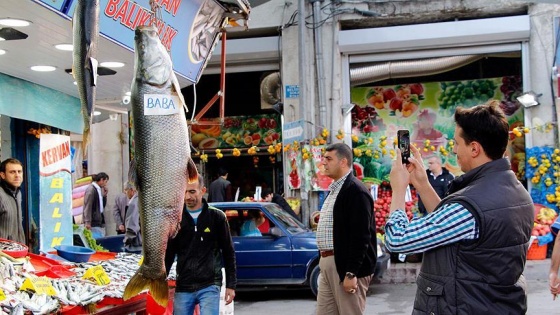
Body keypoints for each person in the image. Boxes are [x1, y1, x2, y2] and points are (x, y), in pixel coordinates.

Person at [386, 100, 533, 314]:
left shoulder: (472, 205)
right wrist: (422, 184)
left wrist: (398, 189)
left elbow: (397, 240)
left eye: (456, 143)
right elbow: (450, 227)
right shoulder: (516, 191)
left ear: (474, 148)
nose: (454, 150)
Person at [315, 143, 377, 315]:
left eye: (328, 158)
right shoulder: (335, 189)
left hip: (344, 266)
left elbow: (361, 236)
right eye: (323, 158)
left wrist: (351, 272)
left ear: (343, 162)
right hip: (327, 262)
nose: (323, 162)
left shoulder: (356, 191)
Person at [165, 174, 236, 315]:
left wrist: (230, 285)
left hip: (209, 284)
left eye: (192, 191)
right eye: (184, 191)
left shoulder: (217, 217)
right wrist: (161, 283)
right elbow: (169, 254)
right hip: (183, 284)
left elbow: (228, 252)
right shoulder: (176, 219)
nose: (187, 197)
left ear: (203, 191)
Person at [0, 158, 25, 244]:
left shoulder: (18, 193)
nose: (17, 175)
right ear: (3, 175)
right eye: (12, 172)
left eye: (19, 171)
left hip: (18, 250)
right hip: (3, 253)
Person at [83, 172, 109, 239]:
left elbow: (102, 206)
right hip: (93, 222)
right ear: (101, 180)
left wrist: (104, 196)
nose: (106, 184)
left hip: (98, 221)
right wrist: (87, 222)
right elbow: (88, 206)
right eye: (105, 181)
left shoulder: (98, 190)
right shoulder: (91, 190)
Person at [123, 185, 141, 253]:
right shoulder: (143, 200)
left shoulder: (134, 203)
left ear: (132, 190)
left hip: (136, 244)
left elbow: (132, 227)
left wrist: (126, 241)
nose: (125, 192)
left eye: (126, 190)